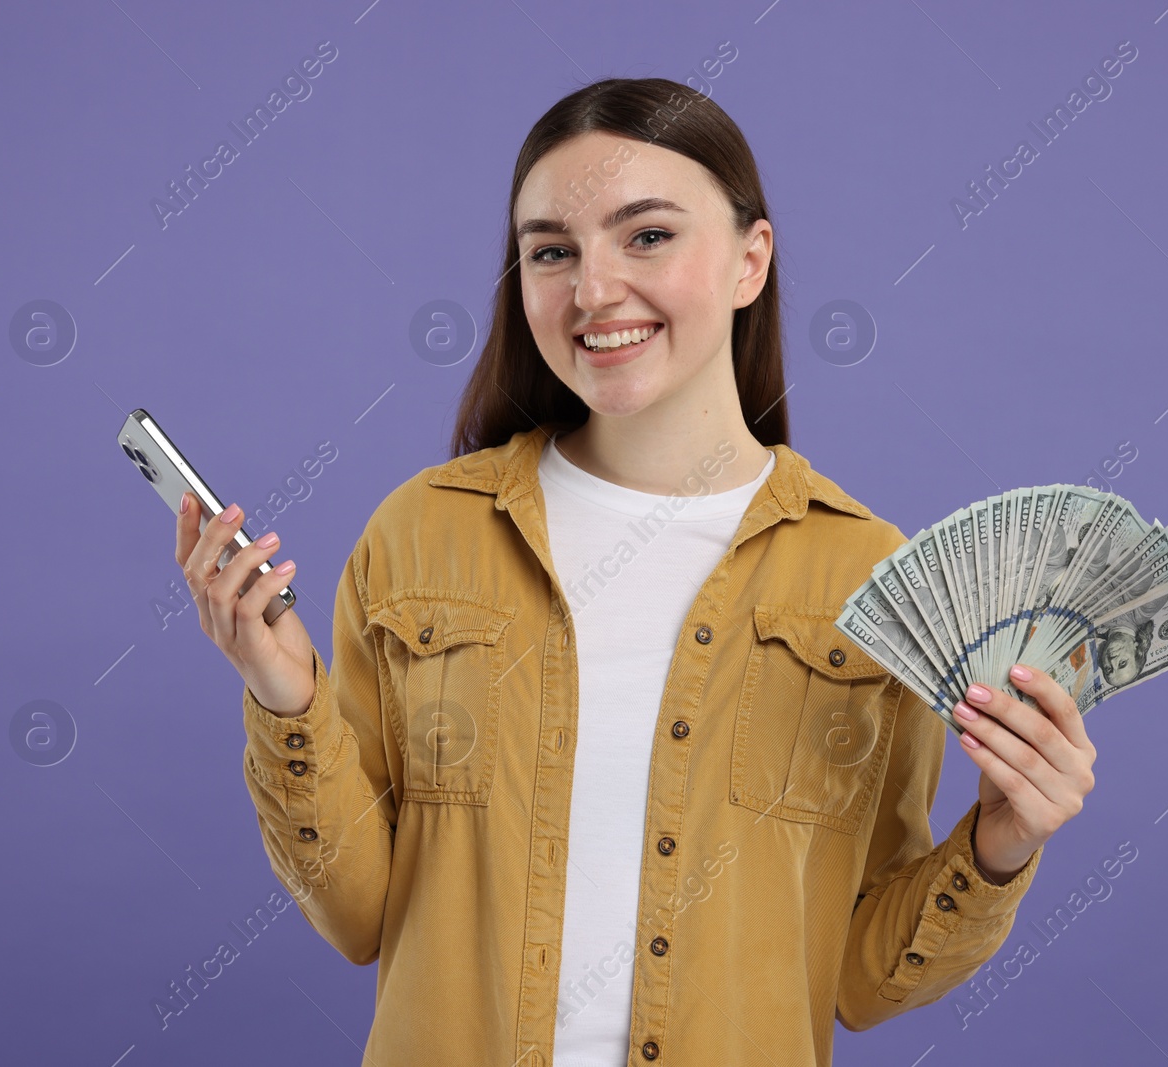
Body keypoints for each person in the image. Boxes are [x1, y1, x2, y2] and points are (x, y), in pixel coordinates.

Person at [174, 77, 1096, 1067]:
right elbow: (359, 915)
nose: (594, 289)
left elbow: (861, 979)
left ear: (752, 260)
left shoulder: (866, 576)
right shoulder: (421, 533)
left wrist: (1000, 840)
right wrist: (286, 696)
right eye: (551, 251)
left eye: (646, 235)